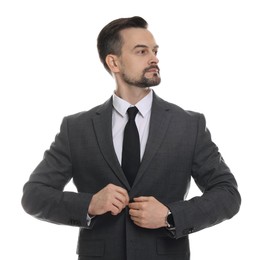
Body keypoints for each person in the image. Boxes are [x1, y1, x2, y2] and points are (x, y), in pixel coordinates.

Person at [22, 16, 241, 260]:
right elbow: (34, 195)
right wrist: (89, 204)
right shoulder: (77, 128)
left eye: (155, 51)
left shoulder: (188, 125)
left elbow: (227, 194)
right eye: (141, 51)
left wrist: (170, 215)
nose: (154, 58)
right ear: (113, 62)